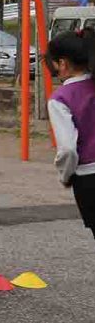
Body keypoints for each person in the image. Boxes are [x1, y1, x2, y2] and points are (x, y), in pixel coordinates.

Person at [46, 29, 95, 241]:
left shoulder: (60, 98)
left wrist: (65, 175)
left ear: (63, 64)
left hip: (88, 177)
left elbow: (67, 149)